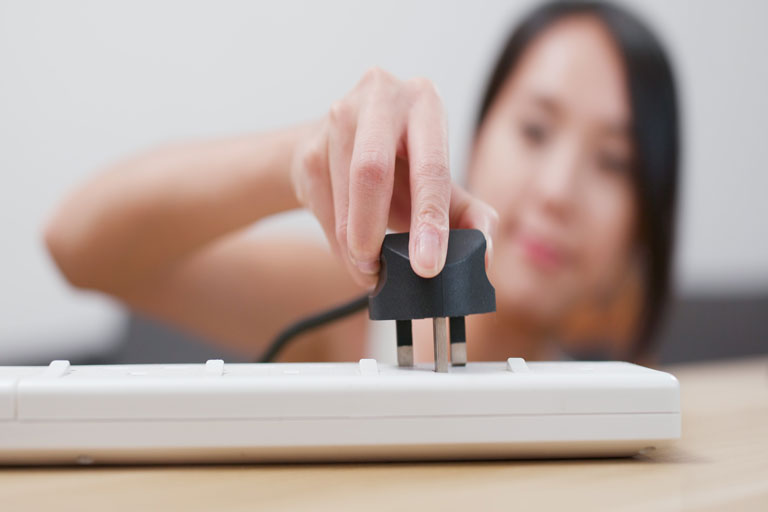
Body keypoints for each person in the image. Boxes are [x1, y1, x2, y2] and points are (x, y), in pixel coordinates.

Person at [44, 1, 679, 364]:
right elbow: (76, 245)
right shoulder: (347, 310)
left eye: (614, 164)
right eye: (536, 130)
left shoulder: (610, 380)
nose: (558, 191)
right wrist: (302, 157)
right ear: (479, 138)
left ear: (646, 221)